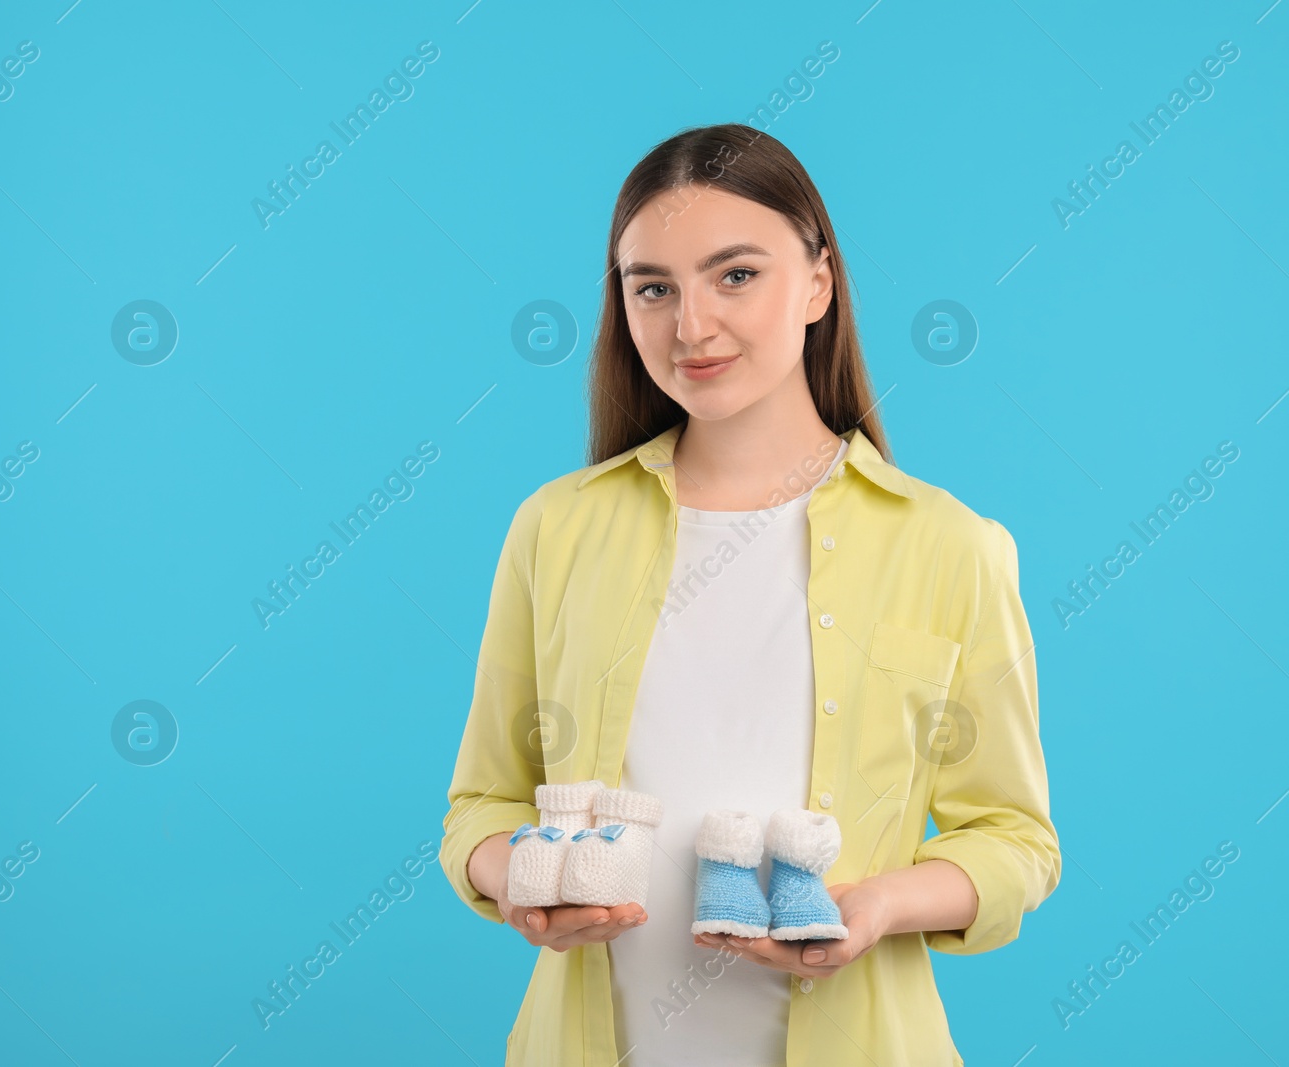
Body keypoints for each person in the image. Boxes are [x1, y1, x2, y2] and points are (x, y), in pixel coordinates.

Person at [438, 122, 1060, 1067]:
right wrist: (524, 881)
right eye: (653, 287)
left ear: (819, 281)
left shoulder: (949, 546)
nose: (691, 326)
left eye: (735, 275)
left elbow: (1015, 838)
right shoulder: (555, 530)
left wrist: (881, 904)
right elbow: (481, 804)